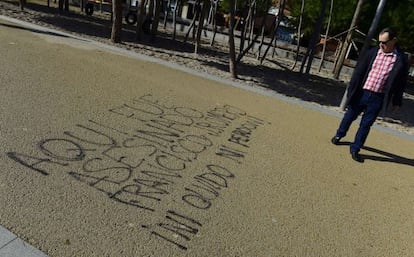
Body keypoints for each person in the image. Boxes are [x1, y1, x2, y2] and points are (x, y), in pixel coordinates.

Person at [331, 27, 409, 162]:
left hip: (378, 98)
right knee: (349, 116)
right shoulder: (371, 52)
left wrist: (397, 102)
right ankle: (339, 135)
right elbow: (358, 72)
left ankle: (355, 148)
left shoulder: (401, 60)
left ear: (394, 41)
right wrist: (351, 90)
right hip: (362, 92)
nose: (381, 45)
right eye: (379, 42)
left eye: (384, 42)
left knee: (366, 124)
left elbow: (401, 83)